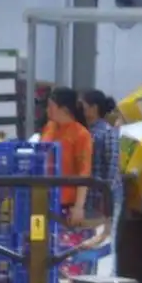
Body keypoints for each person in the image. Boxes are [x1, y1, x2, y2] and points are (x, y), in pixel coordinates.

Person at [40, 87, 95, 224]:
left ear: (64, 109)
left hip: (66, 202)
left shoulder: (81, 134)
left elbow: (84, 172)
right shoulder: (49, 127)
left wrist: (79, 207)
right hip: (43, 197)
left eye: (51, 106)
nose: (47, 110)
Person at [80, 89, 125, 224]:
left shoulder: (107, 132)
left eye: (84, 106)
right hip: (92, 196)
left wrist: (106, 196)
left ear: (94, 108)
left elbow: (112, 167)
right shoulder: (87, 131)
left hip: (104, 198)